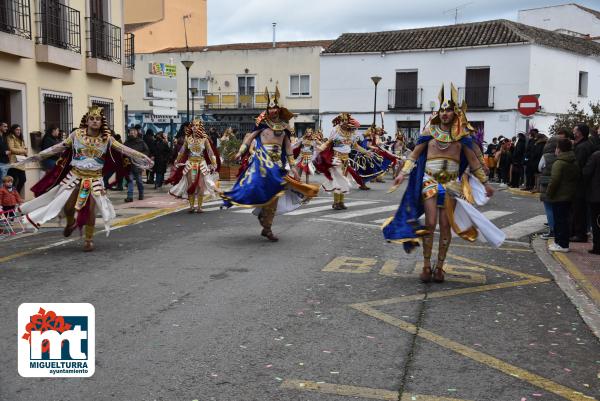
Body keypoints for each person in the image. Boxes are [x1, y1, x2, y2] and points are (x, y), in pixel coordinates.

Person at [383, 83, 502, 283]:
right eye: (442, 109)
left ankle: (439, 267)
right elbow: (414, 155)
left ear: (455, 113)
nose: (445, 113)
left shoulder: (462, 137)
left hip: (452, 185)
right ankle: (426, 265)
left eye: (449, 110)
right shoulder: (429, 133)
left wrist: (486, 184)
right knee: (430, 224)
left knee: (446, 227)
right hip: (429, 181)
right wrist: (402, 174)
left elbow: (473, 162)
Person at [13, 106, 153, 251]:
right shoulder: (76, 135)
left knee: (90, 209)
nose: (94, 121)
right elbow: (57, 148)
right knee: (68, 207)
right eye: (91, 118)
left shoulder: (107, 139)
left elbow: (124, 149)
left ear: (102, 122)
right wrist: (33, 158)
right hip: (74, 176)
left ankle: (89, 239)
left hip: (94, 180)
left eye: (98, 119)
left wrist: (143, 157)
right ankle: (70, 222)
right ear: (87, 120)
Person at [221, 86, 319, 241]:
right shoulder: (261, 123)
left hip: (277, 165)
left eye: (274, 108)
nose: (272, 111)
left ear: (279, 109)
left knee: (275, 195)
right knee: (257, 189)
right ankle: (262, 217)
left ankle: (267, 226)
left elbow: (288, 148)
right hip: (261, 163)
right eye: (269, 108)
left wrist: (293, 167)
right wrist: (240, 152)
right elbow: (249, 138)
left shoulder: (285, 127)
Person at [316, 113, 375, 209]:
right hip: (336, 158)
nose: (344, 123)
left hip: (346, 159)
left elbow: (355, 146)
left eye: (345, 121)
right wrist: (320, 148)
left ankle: (341, 202)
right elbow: (328, 143)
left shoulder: (351, 133)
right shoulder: (335, 131)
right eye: (342, 121)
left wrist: (366, 152)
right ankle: (336, 202)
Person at [168, 120, 219, 212]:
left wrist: (214, 162)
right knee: (191, 184)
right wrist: (177, 160)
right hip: (190, 165)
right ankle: (191, 206)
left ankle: (199, 207)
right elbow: (182, 151)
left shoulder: (204, 139)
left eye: (197, 125)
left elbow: (210, 151)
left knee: (200, 185)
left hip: (201, 164)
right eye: (193, 125)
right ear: (191, 127)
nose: (195, 127)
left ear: (200, 127)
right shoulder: (188, 138)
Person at [546, 138, 580, 253]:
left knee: (559, 221)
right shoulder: (574, 161)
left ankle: (561, 244)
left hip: (559, 196)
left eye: (556, 147)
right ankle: (560, 243)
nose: (555, 150)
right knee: (564, 220)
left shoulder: (559, 163)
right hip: (570, 195)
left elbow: (554, 181)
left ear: (559, 149)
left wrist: (549, 194)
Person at [570, 124, 595, 242]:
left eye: (574, 131)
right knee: (580, 209)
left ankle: (579, 234)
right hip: (584, 183)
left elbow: (578, 166)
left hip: (579, 183)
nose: (573, 132)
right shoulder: (586, 144)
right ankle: (579, 232)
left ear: (579, 133)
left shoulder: (582, 147)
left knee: (579, 209)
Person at [538, 136, 558, 239]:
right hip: (559, 184)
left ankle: (552, 230)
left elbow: (540, 167)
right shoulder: (561, 155)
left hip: (546, 184)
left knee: (549, 208)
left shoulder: (545, 156)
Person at [124, 127, 150, 202]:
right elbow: (122, 152)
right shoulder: (126, 142)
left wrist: (140, 156)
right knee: (130, 180)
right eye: (130, 132)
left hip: (138, 165)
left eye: (133, 132)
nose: (132, 133)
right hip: (128, 164)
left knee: (139, 180)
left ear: (136, 133)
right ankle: (129, 196)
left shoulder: (141, 142)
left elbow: (146, 151)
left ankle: (141, 194)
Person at [583, 146, 600, 254]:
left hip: (596, 195)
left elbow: (586, 172)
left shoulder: (596, 155)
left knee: (597, 222)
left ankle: (597, 247)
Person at [6, 124, 28, 193]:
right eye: (17, 130)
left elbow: (24, 147)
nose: (19, 131)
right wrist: (23, 151)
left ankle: (16, 194)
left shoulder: (20, 138)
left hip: (21, 162)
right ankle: (12, 196)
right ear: (13, 130)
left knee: (23, 179)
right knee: (13, 180)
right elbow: (11, 149)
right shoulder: (10, 137)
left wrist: (26, 152)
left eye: (19, 130)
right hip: (14, 162)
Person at [0, 121, 10, 186]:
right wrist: (4, 152)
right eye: (5, 126)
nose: (6, 128)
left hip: (5, 162)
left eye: (7, 127)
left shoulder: (4, 137)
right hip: (1, 162)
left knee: (3, 182)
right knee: (1, 182)